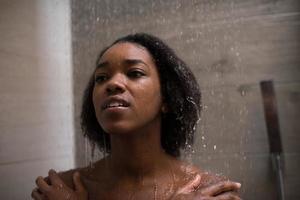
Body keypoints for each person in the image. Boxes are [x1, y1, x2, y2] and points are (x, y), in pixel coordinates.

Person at [31, 33, 241, 200]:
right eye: (101, 77)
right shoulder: (61, 187)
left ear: (167, 98)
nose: (112, 84)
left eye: (135, 73)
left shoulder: (208, 191)